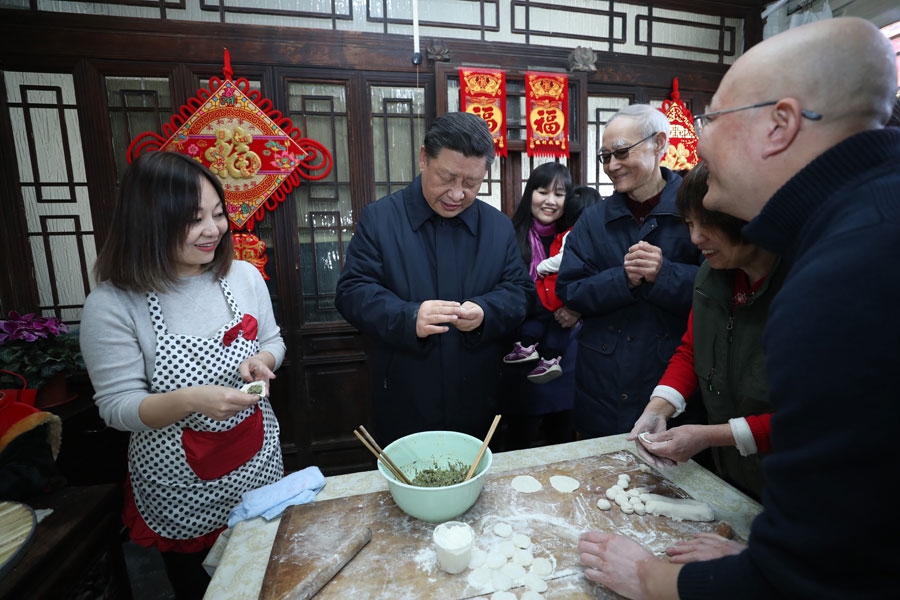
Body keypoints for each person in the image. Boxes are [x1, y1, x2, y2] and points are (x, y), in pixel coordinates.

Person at [578, 17, 899, 599]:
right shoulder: (863, 217)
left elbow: (822, 570)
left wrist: (651, 577)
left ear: (781, 124)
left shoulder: (848, 272)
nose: (697, 143)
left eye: (711, 120)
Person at [80, 151, 285, 599]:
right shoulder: (113, 304)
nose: (214, 229)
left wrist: (264, 361)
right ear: (148, 223)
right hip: (180, 487)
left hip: (257, 465)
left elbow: (273, 339)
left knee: (268, 580)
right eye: (194, 220)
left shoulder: (244, 276)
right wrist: (192, 400)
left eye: (218, 214)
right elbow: (117, 408)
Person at [334, 112, 534, 445]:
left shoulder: (498, 227)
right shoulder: (380, 219)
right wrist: (409, 316)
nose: (457, 194)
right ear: (424, 158)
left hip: (479, 399)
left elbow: (520, 293)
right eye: (447, 178)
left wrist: (486, 312)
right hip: (405, 397)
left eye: (471, 183)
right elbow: (352, 293)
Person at [628, 162, 787, 501]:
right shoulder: (711, 275)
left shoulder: (802, 285)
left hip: (793, 479)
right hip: (734, 472)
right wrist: (658, 409)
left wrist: (710, 436)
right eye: (689, 223)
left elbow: (814, 417)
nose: (695, 238)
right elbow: (692, 350)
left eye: (708, 223)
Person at [556, 104, 703, 438]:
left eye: (621, 152)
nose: (612, 165)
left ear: (659, 143)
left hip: (672, 383)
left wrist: (664, 273)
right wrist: (622, 279)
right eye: (605, 157)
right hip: (601, 385)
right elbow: (570, 289)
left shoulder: (696, 209)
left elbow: (722, 289)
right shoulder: (593, 219)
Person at [504, 162, 577, 384]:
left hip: (564, 352)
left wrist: (577, 309)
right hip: (518, 348)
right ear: (530, 194)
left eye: (559, 194)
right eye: (543, 192)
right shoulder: (508, 236)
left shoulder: (575, 238)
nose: (550, 201)